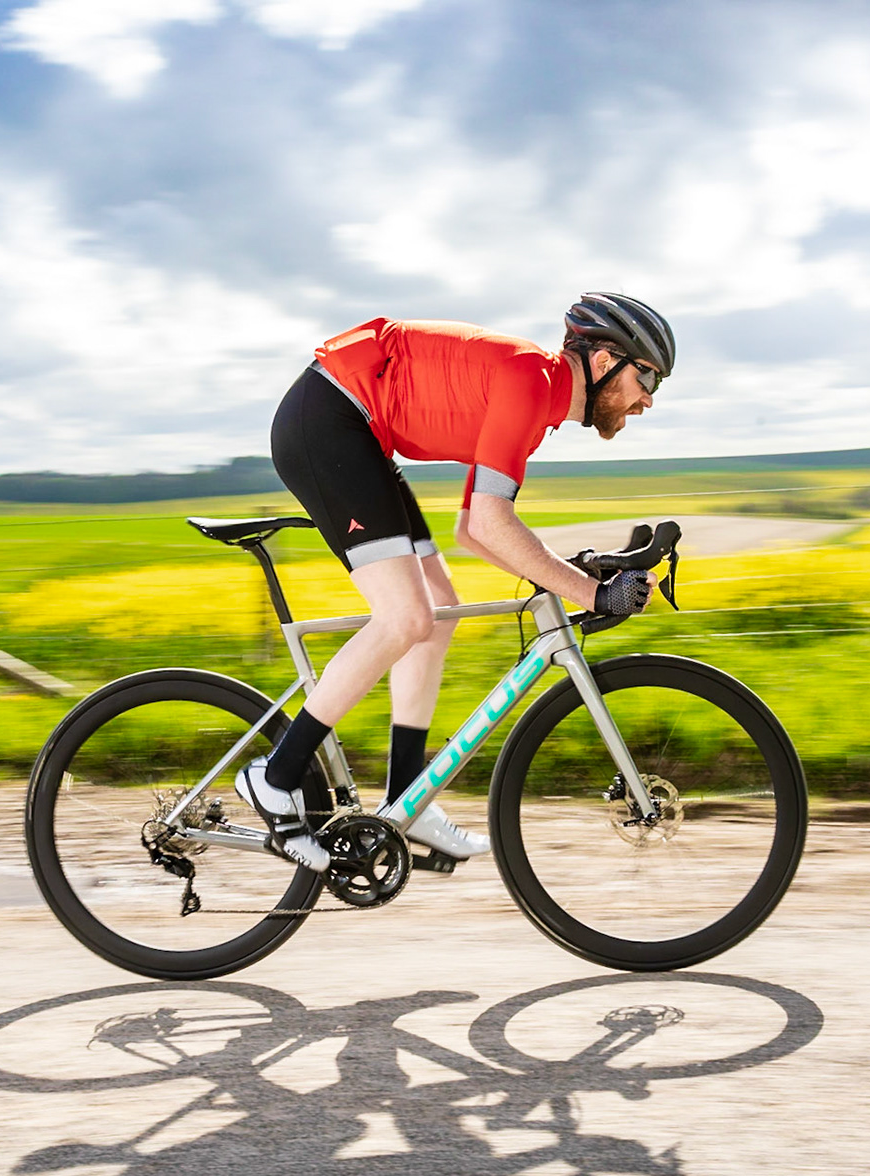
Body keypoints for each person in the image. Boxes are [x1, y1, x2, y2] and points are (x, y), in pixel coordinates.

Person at [237, 292, 676, 869]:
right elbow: (493, 525)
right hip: (331, 419)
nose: (648, 398)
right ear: (602, 361)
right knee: (405, 617)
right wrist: (589, 592)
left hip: (357, 432)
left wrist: (581, 572)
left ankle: (405, 802)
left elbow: (473, 529)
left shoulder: (536, 398)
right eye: (648, 377)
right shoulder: (529, 381)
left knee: (438, 611)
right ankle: (276, 775)